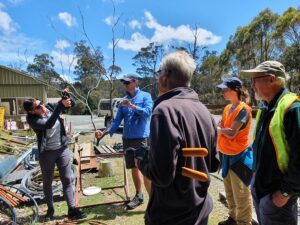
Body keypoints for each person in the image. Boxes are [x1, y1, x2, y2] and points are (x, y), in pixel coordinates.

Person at [134, 51, 220, 225]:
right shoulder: (205, 111)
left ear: (165, 77)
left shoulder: (164, 111)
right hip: (200, 210)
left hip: (170, 216)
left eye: (159, 74)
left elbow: (162, 176)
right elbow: (213, 164)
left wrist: (140, 162)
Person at [240, 61, 300, 225]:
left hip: (278, 198)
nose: (252, 86)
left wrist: (285, 193)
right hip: (261, 190)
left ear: (271, 79)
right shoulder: (266, 107)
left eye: (254, 80)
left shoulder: (292, 108)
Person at [23, 91, 85, 221]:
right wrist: (59, 106)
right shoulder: (32, 119)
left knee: (67, 179)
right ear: (31, 111)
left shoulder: (50, 107)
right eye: (38, 107)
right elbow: (48, 124)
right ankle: (50, 209)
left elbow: (69, 105)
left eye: (41, 103)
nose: (42, 106)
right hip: (47, 154)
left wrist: (66, 97)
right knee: (47, 182)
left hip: (62, 149)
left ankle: (72, 209)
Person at [95, 74, 153, 210]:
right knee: (133, 167)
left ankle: (153, 201)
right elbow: (116, 121)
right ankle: (139, 196)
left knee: (145, 169)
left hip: (141, 138)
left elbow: (147, 113)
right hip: (127, 138)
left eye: (128, 82)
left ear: (135, 82)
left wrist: (132, 106)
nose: (125, 84)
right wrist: (103, 132)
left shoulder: (145, 96)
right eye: (124, 82)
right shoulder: (123, 101)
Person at [216, 77, 253, 225]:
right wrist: (222, 130)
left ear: (236, 90)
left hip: (239, 157)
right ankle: (232, 218)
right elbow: (224, 128)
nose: (222, 93)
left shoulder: (243, 110)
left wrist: (219, 130)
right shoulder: (227, 108)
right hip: (225, 154)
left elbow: (231, 132)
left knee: (241, 193)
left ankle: (244, 222)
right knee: (229, 190)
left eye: (225, 89)